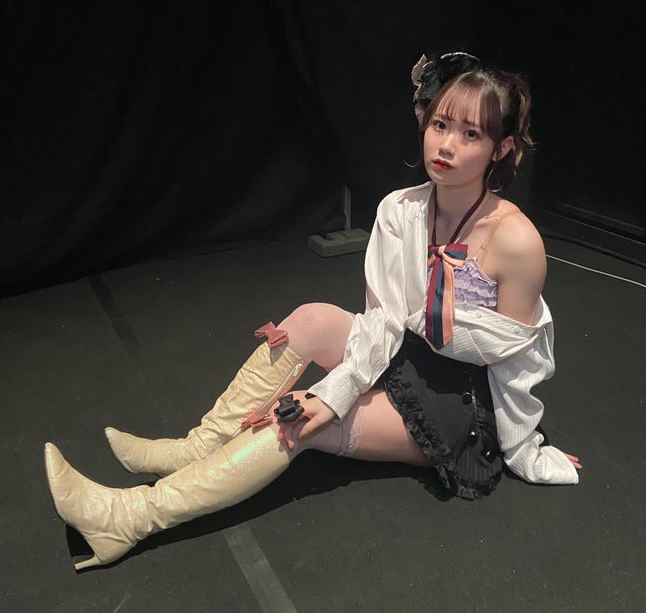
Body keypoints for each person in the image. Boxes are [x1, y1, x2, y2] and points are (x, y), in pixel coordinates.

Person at [44, 51, 582, 570]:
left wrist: (525, 447)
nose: (447, 145)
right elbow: (384, 321)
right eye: (440, 125)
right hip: (404, 355)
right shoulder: (400, 211)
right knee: (310, 320)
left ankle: (130, 518)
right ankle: (195, 449)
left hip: (461, 403)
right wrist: (341, 387)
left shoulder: (516, 240)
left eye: (471, 134)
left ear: (500, 148)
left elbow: (517, 363)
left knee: (301, 422)